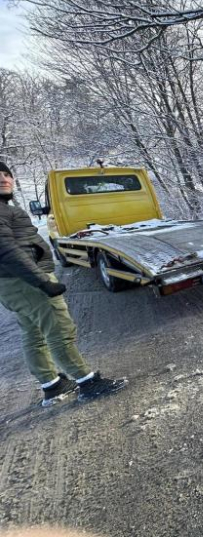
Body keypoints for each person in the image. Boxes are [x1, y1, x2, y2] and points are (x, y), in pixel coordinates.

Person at [0, 162, 126, 407]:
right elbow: (6, 250)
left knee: (33, 333)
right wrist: (41, 281)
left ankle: (52, 385)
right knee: (59, 329)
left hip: (13, 285)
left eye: (7, 174)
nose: (4, 179)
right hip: (26, 282)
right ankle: (87, 382)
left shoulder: (5, 208)